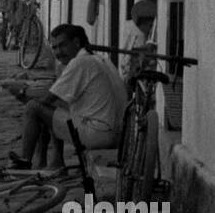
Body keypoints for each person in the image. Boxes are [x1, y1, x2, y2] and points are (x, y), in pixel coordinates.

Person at [7, 24, 126, 173]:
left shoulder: (80, 62)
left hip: (98, 134)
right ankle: (55, 161)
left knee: (34, 107)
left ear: (76, 42)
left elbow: (47, 99)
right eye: (54, 48)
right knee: (56, 107)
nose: (58, 52)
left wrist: (21, 93)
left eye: (62, 46)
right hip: (117, 133)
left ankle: (25, 161)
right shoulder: (101, 59)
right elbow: (57, 97)